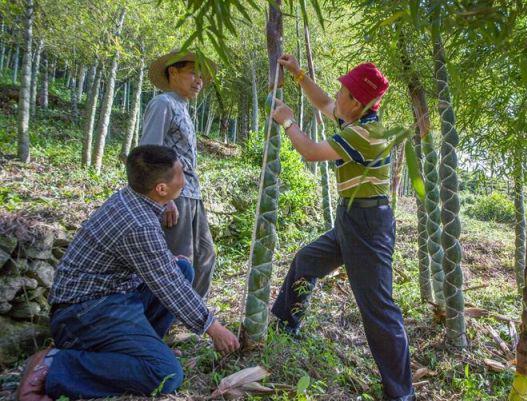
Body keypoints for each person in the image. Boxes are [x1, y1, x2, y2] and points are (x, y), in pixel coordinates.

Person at [17, 145, 239, 401]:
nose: (185, 177)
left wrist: (168, 210)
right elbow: (168, 284)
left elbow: (160, 268)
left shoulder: (134, 198)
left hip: (112, 295)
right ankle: (56, 365)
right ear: (161, 188)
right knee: (165, 374)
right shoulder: (139, 224)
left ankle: (139, 351)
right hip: (83, 313)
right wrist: (212, 326)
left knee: (182, 269)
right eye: (180, 174)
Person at [269, 55, 415, 401]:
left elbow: (309, 151)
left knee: (378, 309)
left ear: (359, 102)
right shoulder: (354, 116)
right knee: (306, 261)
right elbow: (323, 102)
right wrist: (298, 74)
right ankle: (287, 325)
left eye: (344, 90)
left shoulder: (365, 133)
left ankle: (401, 394)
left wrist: (288, 122)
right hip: (351, 216)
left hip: (368, 224)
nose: (338, 94)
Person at [140, 50, 216, 298]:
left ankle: (193, 313)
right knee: (180, 258)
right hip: (174, 196)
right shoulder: (163, 103)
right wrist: (164, 198)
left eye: (202, 77)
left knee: (205, 255)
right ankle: (172, 321)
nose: (199, 81)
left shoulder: (182, 107)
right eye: (193, 73)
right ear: (173, 72)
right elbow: (149, 153)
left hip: (192, 193)